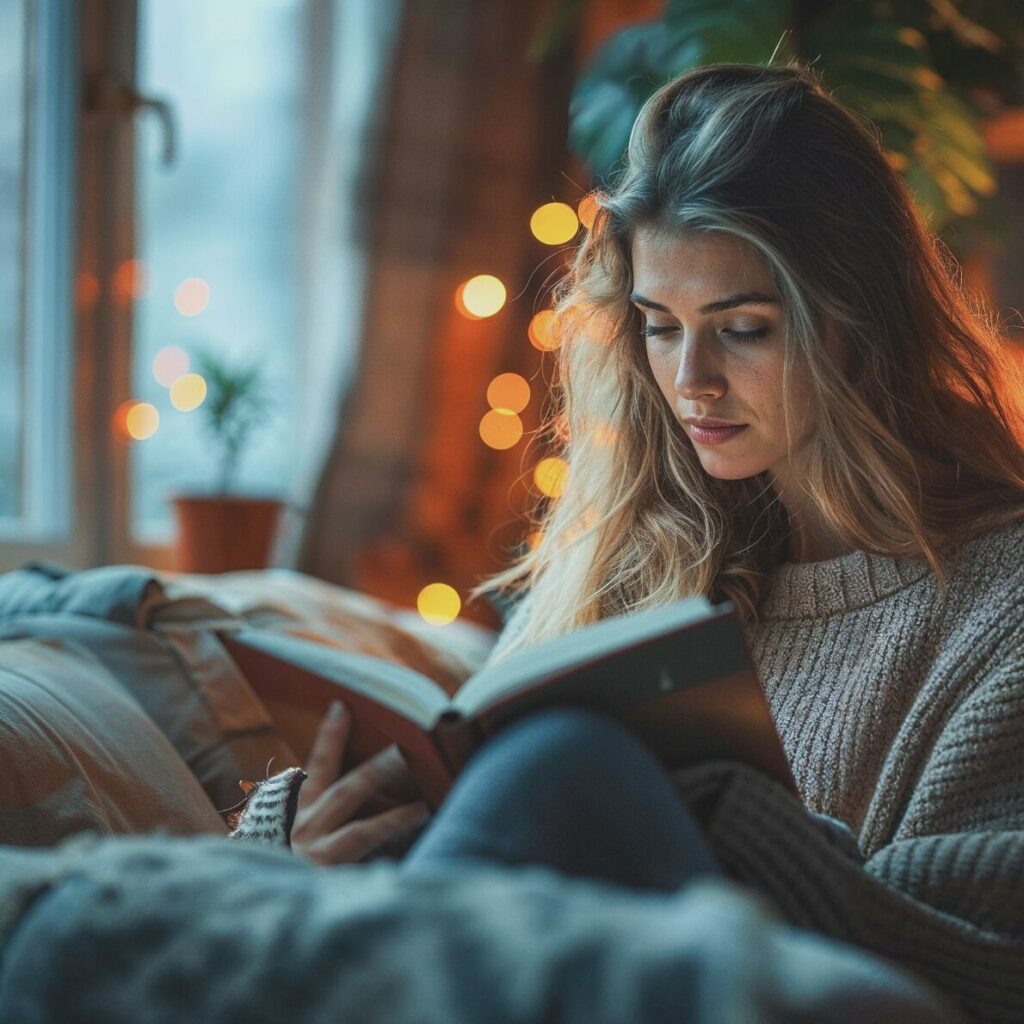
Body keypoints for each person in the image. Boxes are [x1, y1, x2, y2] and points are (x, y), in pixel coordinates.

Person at [289, 63, 1024, 1023]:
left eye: (744, 329)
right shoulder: (644, 558)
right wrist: (301, 847)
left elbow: (985, 962)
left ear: (856, 323)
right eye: (658, 326)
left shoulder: (998, 599)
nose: (692, 380)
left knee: (567, 764)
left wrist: (708, 813)